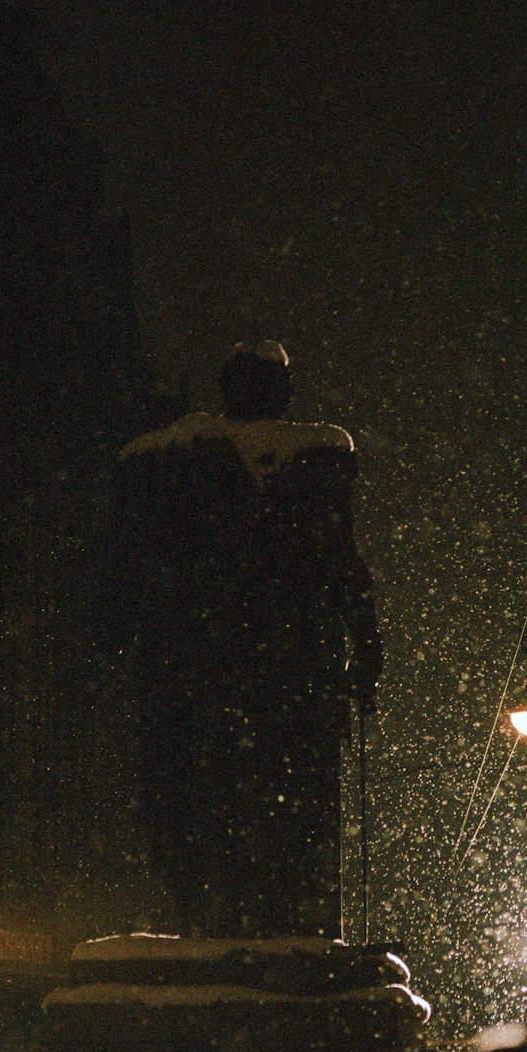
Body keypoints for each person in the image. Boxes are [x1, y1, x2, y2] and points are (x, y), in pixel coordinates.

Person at [112, 340, 381, 938]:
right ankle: (276, 923)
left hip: (212, 666)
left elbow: (135, 565)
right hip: (284, 668)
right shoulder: (313, 461)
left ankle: (221, 921)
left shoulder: (173, 459)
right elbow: (342, 564)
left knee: (208, 801)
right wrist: (364, 647)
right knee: (281, 809)